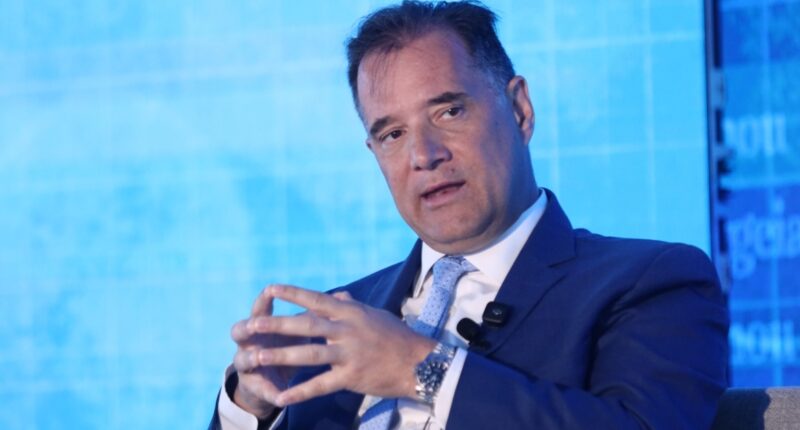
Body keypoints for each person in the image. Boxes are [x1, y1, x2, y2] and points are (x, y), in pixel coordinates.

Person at [210, 1, 729, 429]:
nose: (424, 154)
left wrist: (420, 368)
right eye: (393, 134)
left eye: (449, 111)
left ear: (520, 110)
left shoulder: (650, 282)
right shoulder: (342, 319)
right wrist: (251, 405)